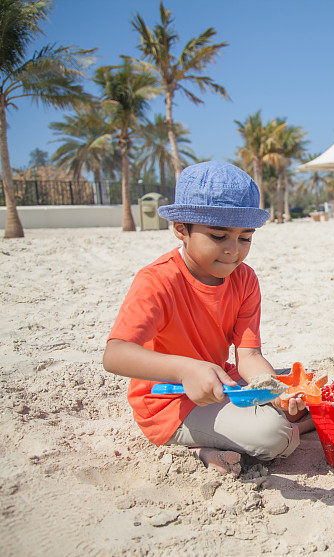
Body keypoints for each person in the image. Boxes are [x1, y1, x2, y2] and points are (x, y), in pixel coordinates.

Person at [103, 161, 312, 476]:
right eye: (218, 236)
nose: (233, 251)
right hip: (169, 401)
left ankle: (289, 420)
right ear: (181, 229)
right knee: (273, 435)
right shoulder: (157, 280)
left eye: (245, 238)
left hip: (221, 383)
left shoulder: (244, 279)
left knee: (302, 383)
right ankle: (197, 446)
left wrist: (274, 392)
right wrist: (187, 369)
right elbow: (115, 354)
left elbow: (249, 356)